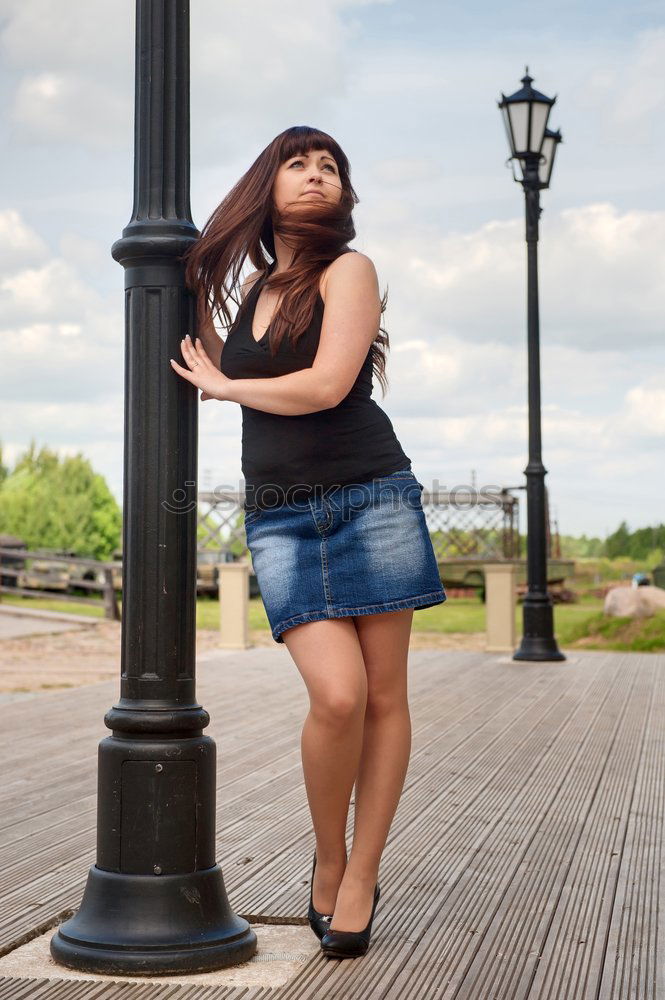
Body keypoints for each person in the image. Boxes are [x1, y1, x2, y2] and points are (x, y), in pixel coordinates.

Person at [171, 125, 447, 959]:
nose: (317, 175)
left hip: (371, 496)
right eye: (299, 163)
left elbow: (328, 384)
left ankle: (359, 874)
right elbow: (235, 373)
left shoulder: (348, 272)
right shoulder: (255, 288)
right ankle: (326, 858)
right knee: (336, 696)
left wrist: (225, 386)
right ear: (269, 184)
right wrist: (182, 297)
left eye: (330, 166)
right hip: (282, 511)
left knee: (382, 697)